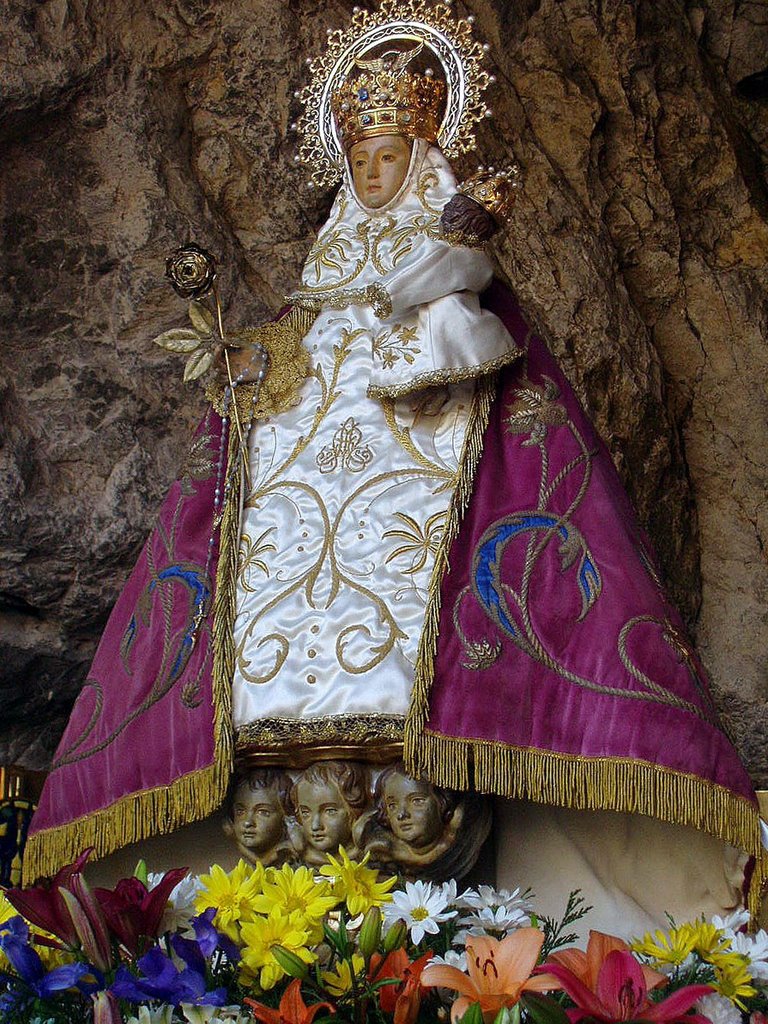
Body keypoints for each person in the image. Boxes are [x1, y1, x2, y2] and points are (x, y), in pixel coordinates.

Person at [26, 2, 765, 932]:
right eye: (361, 160)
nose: (375, 176)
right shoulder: (319, 286)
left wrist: (448, 275)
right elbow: (286, 377)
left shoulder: (457, 283)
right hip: (295, 581)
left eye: (390, 158)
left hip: (423, 541)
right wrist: (243, 364)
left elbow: (490, 380)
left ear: (421, 157)